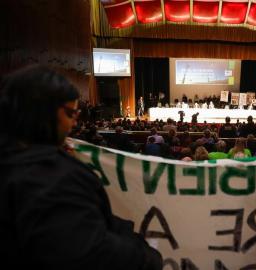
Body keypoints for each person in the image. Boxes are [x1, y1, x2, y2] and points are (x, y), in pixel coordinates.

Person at [0, 66, 162, 269]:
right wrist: (146, 256)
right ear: (43, 113)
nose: (74, 124)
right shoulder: (53, 178)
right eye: (71, 113)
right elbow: (91, 252)